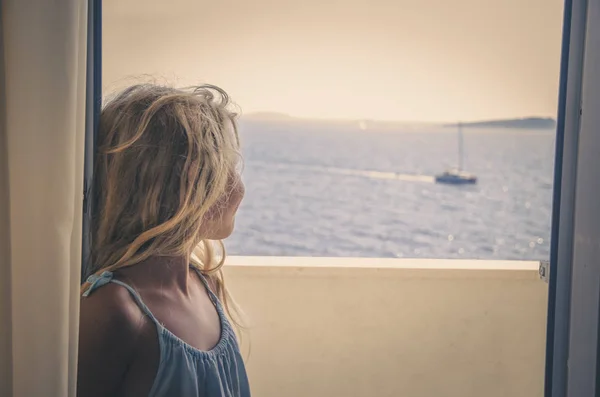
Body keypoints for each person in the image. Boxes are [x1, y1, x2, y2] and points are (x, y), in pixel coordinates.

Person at [77, 84, 250, 397]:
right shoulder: (115, 310)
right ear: (181, 187)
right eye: (225, 170)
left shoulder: (208, 285)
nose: (238, 186)